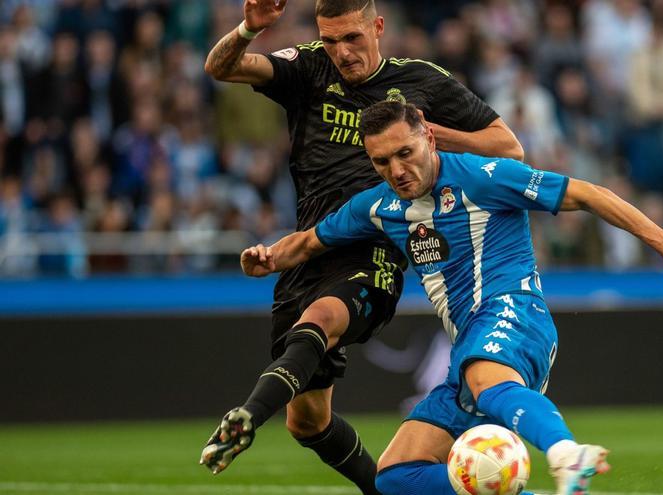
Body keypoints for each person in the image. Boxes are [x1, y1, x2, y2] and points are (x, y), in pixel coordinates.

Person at [237, 101, 663, 495]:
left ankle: (566, 454)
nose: (397, 170)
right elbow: (312, 241)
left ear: (429, 140)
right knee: (394, 478)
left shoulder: (484, 177)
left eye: (405, 153)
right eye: (382, 162)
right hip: (468, 347)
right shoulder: (379, 207)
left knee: (484, 376)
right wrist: (268, 256)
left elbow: (589, 194)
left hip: (515, 314)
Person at [198, 0, 523, 492]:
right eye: (331, 41)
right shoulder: (307, 69)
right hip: (309, 246)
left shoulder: (421, 80)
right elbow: (220, 68)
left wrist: (433, 134)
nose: (342, 52)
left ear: (378, 27)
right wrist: (248, 29)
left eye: (352, 38)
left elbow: (508, 147)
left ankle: (246, 415)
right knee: (307, 422)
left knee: (321, 322)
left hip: (376, 247)